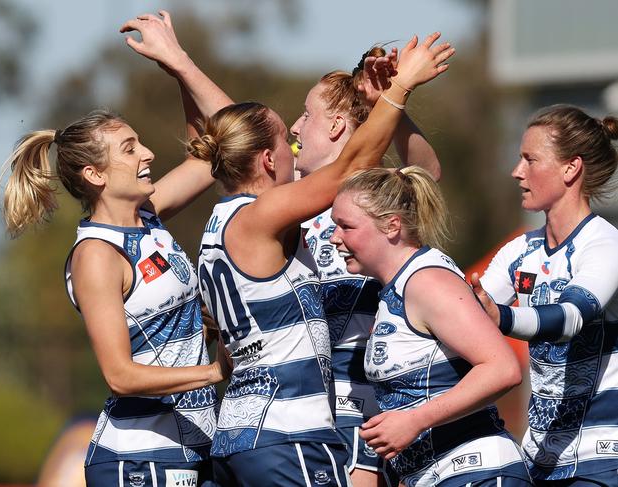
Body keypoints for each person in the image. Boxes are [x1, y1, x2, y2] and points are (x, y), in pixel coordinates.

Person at [185, 34, 454, 487]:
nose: (294, 129)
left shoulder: (230, 219)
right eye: (284, 135)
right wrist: (401, 85)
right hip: (289, 426)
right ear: (267, 160)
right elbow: (344, 166)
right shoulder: (270, 213)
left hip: (246, 425)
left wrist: (180, 63)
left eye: (305, 116)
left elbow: (413, 172)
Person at [0, 22, 233, 484]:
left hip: (195, 446)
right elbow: (121, 376)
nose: (147, 153)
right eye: (129, 149)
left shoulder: (147, 215)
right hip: (138, 460)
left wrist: (177, 64)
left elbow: (217, 148)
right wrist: (212, 370)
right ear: (95, 175)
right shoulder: (96, 257)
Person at [290, 46, 442, 487]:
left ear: (337, 125)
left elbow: (426, 174)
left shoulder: (364, 192)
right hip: (301, 397)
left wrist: (388, 100)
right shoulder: (289, 194)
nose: (296, 127)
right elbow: (234, 132)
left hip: (358, 390)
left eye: (306, 115)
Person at [329, 167, 533, 485]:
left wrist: (414, 421)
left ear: (392, 226)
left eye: (346, 226)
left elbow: (502, 368)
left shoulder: (427, 282)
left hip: (477, 473)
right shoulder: (393, 289)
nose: (334, 238)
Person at [471, 104, 618, 485]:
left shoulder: (604, 244)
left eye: (530, 159)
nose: (516, 171)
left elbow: (570, 318)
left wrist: (501, 317)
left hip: (601, 458)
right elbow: (465, 315)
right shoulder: (520, 251)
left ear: (571, 168)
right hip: (537, 457)